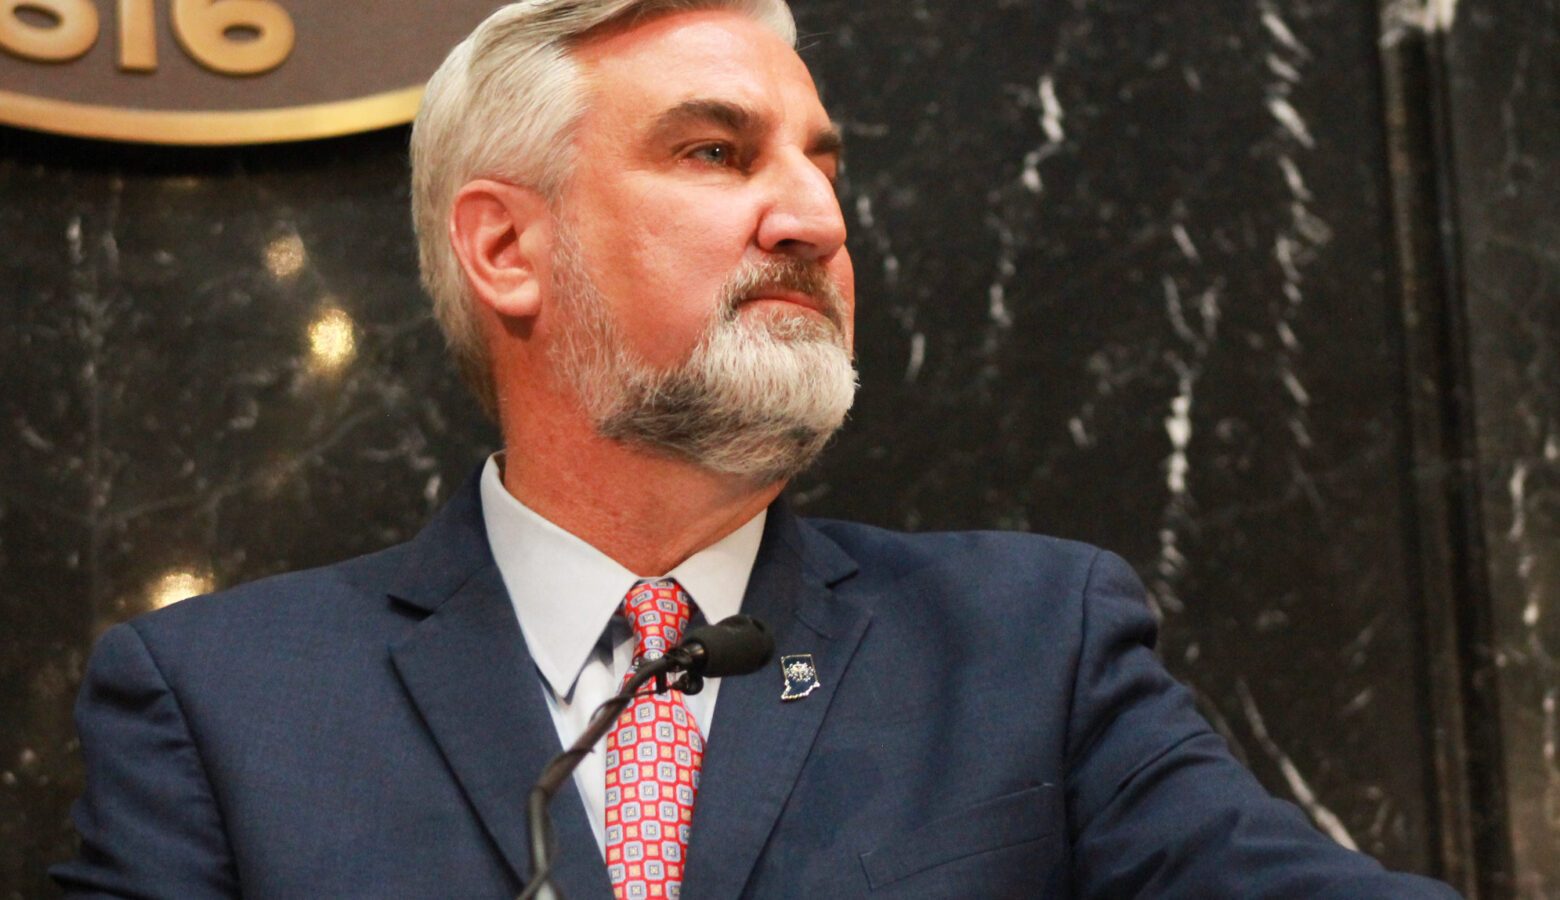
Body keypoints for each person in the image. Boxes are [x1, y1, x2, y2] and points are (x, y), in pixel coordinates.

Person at [53, 1, 1462, 897]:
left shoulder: (1031, 648)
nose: (814, 220)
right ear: (505, 246)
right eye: (718, 154)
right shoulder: (223, 707)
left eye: (823, 162)